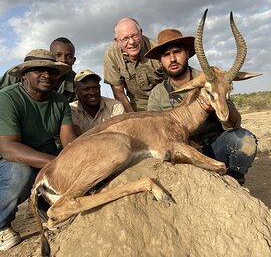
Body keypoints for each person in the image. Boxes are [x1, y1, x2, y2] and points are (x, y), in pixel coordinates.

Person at [146, 29, 257, 185]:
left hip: (214, 146)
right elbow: (156, 134)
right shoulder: (158, 93)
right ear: (160, 61)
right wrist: (186, 144)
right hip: (183, 151)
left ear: (187, 53)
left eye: (177, 52)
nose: (172, 59)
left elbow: (233, 123)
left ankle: (233, 183)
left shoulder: (212, 77)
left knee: (245, 141)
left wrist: (215, 108)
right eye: (166, 55)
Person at [0, 49, 77, 251]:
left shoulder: (60, 101)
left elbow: (69, 140)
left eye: (51, 71)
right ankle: (1, 225)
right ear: (24, 74)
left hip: (47, 159)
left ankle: (47, 208)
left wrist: (79, 160)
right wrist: (57, 164)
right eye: (38, 70)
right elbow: (9, 148)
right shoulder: (7, 98)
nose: (47, 75)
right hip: (11, 162)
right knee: (20, 173)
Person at [104, 17, 165, 112]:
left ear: (141, 32)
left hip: (164, 102)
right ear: (117, 41)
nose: (132, 42)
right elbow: (119, 93)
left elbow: (173, 83)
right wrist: (134, 119)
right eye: (125, 39)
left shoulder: (157, 48)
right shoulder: (111, 54)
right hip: (136, 107)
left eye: (135, 35)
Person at [0, 37, 77, 102]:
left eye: (69, 56)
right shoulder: (22, 72)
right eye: (58, 55)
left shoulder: (78, 82)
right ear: (49, 57)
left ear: (74, 60)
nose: (63, 60)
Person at [70, 69, 125, 135]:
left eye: (95, 88)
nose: (92, 92)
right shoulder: (71, 110)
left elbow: (121, 134)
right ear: (76, 91)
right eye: (86, 89)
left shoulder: (115, 106)